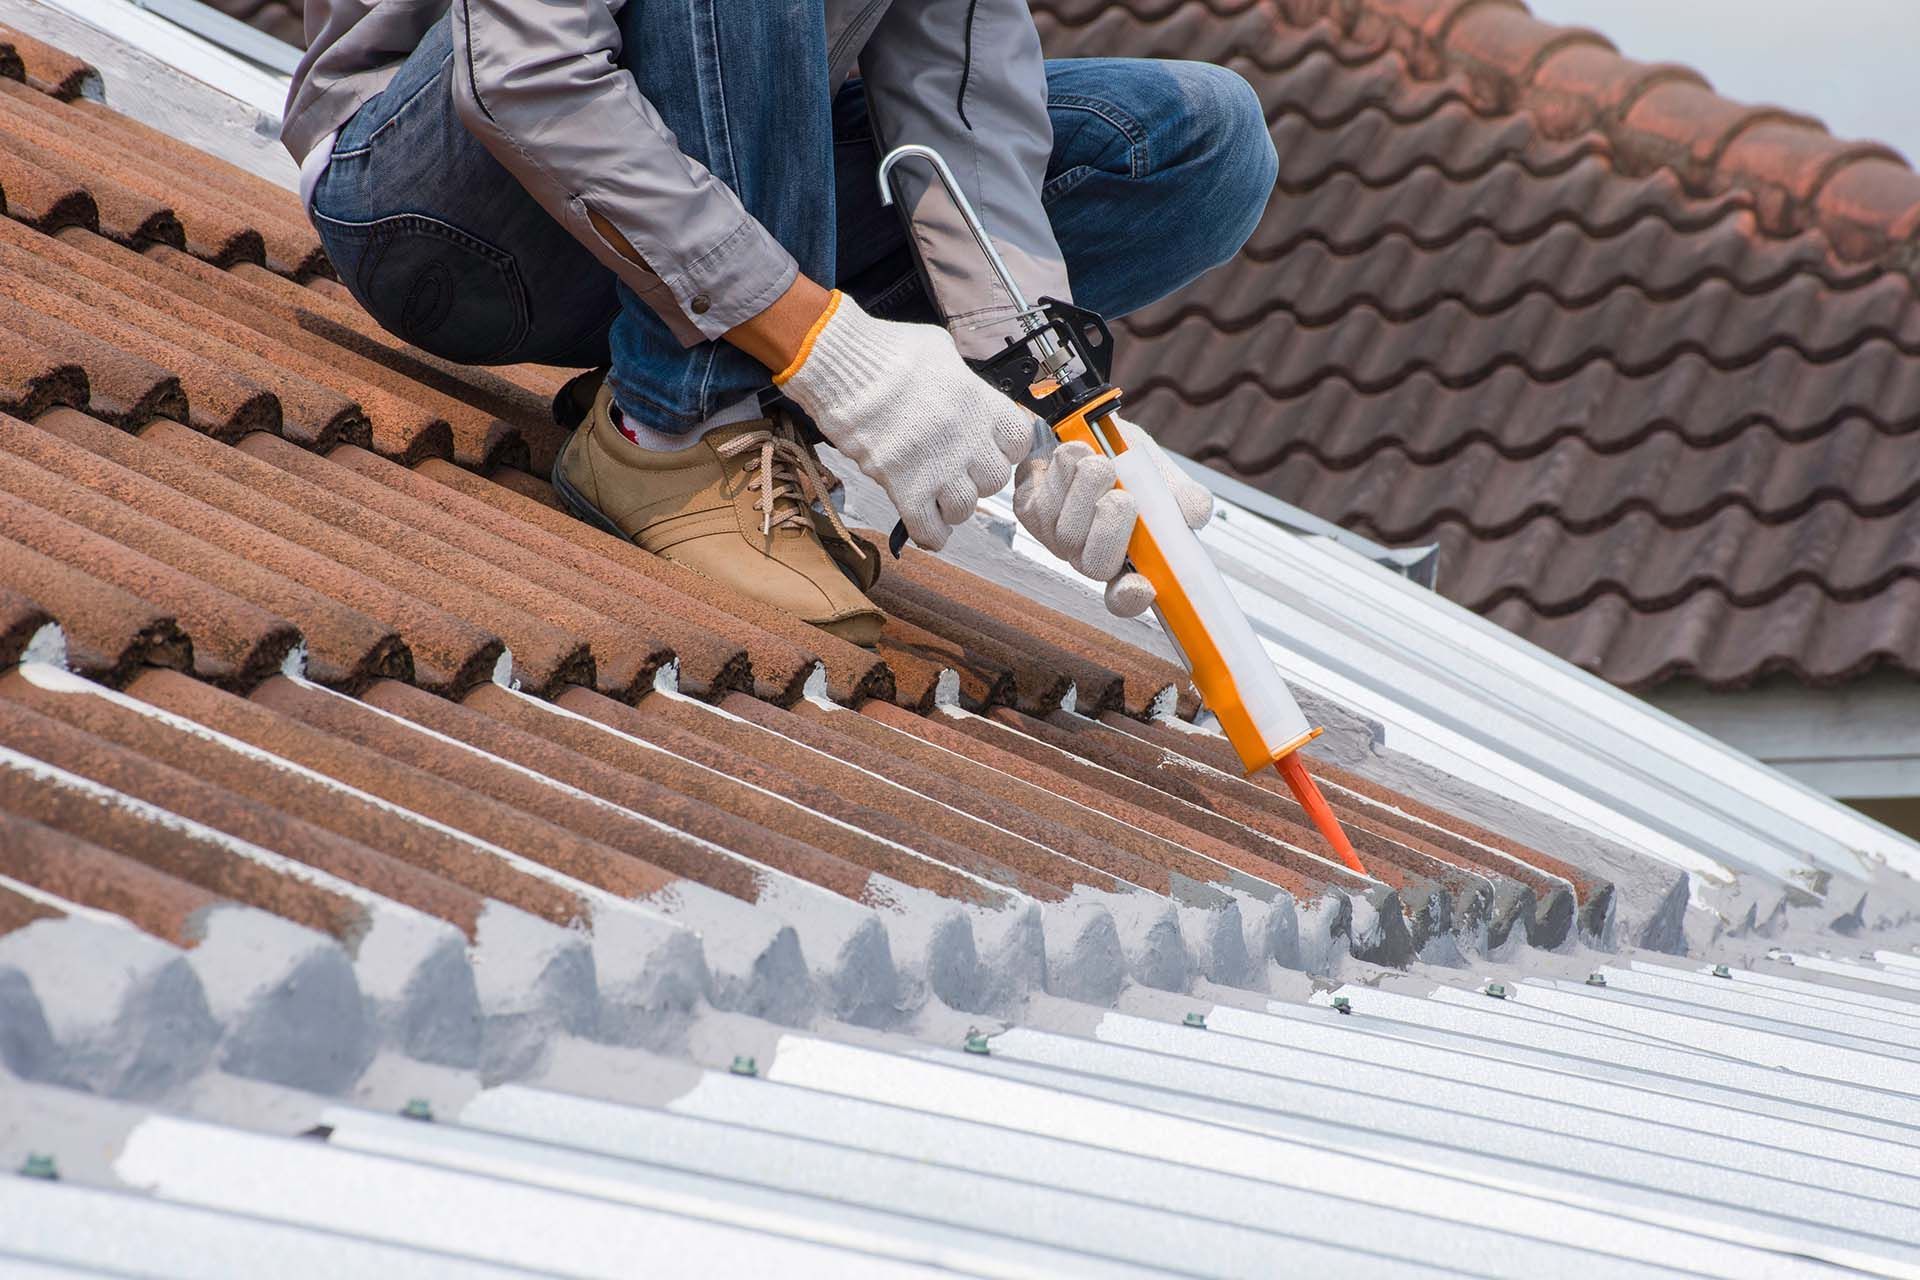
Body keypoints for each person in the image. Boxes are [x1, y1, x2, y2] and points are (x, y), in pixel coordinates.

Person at [282, 1, 1278, 645]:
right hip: (443, 213)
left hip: (667, 230)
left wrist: (1048, 395)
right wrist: (823, 346)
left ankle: (725, 367)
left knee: (1202, 144)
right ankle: (679, 426)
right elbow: (527, 75)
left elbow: (961, 110)